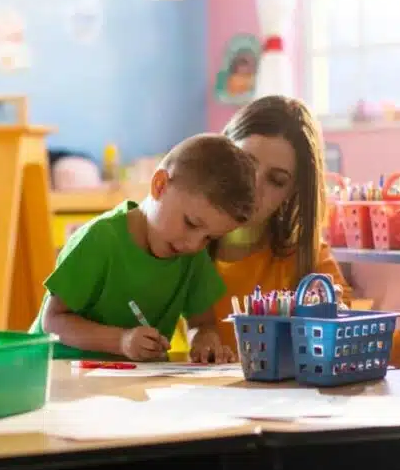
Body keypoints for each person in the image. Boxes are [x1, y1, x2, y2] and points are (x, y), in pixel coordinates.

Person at [29, 134, 257, 363]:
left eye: (209, 238)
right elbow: (53, 321)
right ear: (160, 185)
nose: (193, 244)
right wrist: (121, 341)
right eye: (191, 223)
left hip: (132, 377)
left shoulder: (192, 255)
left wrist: (205, 341)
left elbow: (202, 323)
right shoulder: (100, 239)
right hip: (57, 371)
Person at [209, 96, 348, 351]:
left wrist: (331, 323)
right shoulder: (179, 241)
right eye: (245, 163)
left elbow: (346, 347)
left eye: (276, 180)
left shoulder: (309, 260)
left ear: (292, 191)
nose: (254, 187)